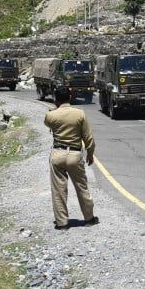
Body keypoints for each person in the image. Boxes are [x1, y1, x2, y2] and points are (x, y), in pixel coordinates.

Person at [44, 84, 98, 230]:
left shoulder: (50, 115)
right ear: (70, 97)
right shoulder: (80, 114)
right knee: (81, 187)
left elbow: (48, 124)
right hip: (74, 154)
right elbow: (88, 138)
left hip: (57, 154)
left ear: (56, 100)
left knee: (58, 190)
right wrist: (90, 154)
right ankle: (89, 218)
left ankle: (62, 223)